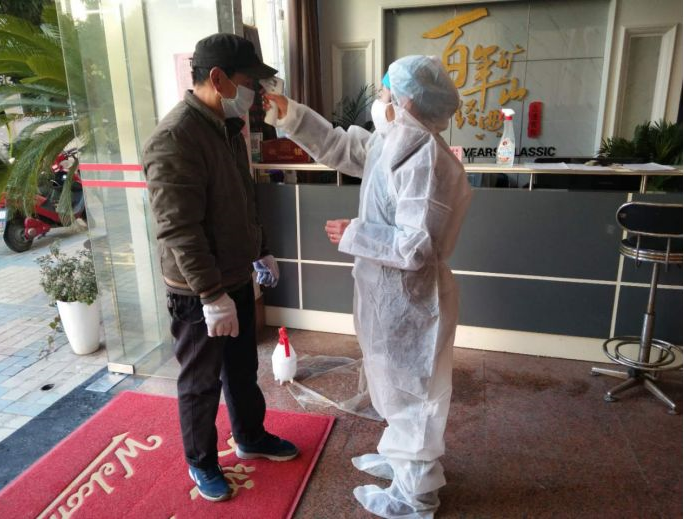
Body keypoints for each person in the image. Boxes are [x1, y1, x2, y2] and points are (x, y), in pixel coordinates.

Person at [265, 55, 471, 518]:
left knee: (413, 395)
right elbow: (341, 147)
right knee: (391, 384)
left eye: (385, 94)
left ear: (407, 102)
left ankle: (414, 495)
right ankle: (401, 462)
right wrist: (291, 115)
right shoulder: (393, 141)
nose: (379, 101)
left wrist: (355, 233)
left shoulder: (425, 160)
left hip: (413, 298)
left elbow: (416, 245)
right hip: (386, 291)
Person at [142, 33, 298, 503]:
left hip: (235, 273)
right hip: (197, 290)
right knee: (200, 382)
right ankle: (201, 462)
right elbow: (178, 229)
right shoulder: (174, 138)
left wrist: (261, 250)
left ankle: (250, 436)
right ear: (218, 78)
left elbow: (244, 201)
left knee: (242, 369)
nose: (256, 94)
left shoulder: (227, 129)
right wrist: (210, 296)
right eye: (249, 82)